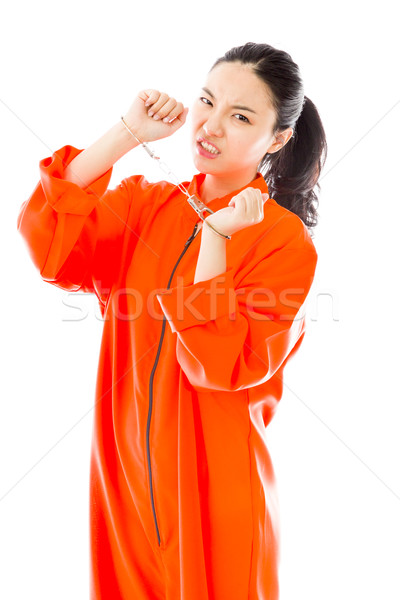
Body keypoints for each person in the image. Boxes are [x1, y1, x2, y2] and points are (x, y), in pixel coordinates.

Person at [17, 42, 327, 600]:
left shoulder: (282, 242)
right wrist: (125, 135)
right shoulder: (144, 205)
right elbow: (52, 245)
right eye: (206, 102)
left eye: (240, 116)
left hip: (211, 486)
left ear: (277, 139)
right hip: (124, 479)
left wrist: (215, 238)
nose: (210, 125)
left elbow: (222, 365)